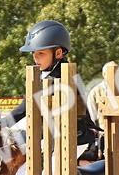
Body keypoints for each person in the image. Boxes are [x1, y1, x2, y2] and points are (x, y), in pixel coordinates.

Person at [6, 20, 101, 153]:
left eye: (41, 53)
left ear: (58, 53)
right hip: (55, 136)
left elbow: (28, 104)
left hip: (73, 140)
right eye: (34, 53)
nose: (36, 58)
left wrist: (4, 122)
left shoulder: (63, 76)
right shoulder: (47, 74)